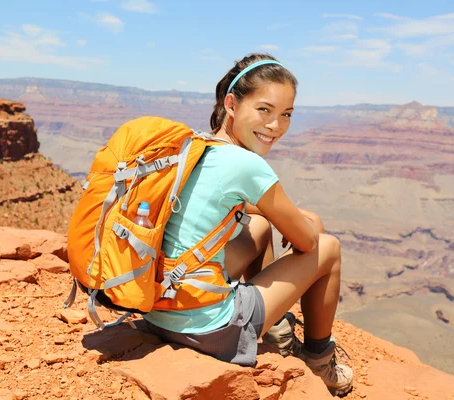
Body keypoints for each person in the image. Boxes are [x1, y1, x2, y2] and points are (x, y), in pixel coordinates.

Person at [143, 53, 354, 396]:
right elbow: (309, 243)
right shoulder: (246, 165)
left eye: (286, 115)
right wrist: (308, 225)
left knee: (256, 227)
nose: (275, 125)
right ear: (231, 104)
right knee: (328, 247)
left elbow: (255, 211)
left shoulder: (197, 145)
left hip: (158, 310)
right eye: (264, 110)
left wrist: (297, 220)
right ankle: (320, 359)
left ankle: (276, 329)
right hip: (209, 329)